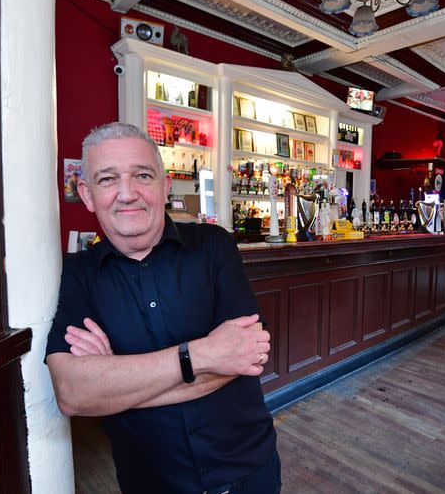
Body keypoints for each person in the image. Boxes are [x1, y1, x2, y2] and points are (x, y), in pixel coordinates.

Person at [45, 123, 280, 493]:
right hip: (151, 483)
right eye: (108, 179)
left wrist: (117, 389)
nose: (127, 193)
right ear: (87, 195)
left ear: (164, 186)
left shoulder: (214, 246)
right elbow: (73, 393)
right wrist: (201, 354)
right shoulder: (78, 273)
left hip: (249, 469)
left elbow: (247, 353)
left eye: (142, 175)